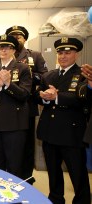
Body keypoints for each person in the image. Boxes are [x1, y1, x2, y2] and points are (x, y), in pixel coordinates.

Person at [35, 37, 90, 204]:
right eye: (60, 52)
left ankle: (82, 201)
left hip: (71, 133)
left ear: (77, 54)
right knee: (53, 172)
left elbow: (82, 99)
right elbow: (38, 94)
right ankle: (56, 199)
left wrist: (57, 96)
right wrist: (43, 97)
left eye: (68, 52)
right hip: (50, 132)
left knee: (77, 173)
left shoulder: (83, 75)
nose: (63, 56)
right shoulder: (49, 75)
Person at [0, 26, 48, 184]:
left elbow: (45, 77)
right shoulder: (1, 56)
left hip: (26, 105)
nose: (17, 38)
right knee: (6, 146)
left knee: (25, 146)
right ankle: (6, 177)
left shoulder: (34, 55)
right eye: (13, 36)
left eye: (20, 36)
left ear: (25, 39)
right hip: (4, 106)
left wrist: (28, 75)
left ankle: (26, 177)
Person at [0, 34, 32, 178]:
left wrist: (9, 84)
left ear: (14, 50)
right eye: (0, 47)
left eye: (7, 47)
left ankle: (14, 198)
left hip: (14, 126)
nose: (3, 50)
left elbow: (24, 95)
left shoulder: (23, 69)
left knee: (14, 165)